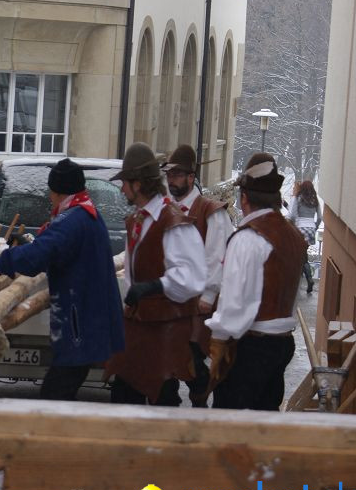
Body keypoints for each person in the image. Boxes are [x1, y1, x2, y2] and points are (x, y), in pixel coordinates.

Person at [0, 159, 125, 401]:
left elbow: (41, 254)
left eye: (51, 191)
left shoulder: (73, 221)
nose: (49, 197)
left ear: (59, 191)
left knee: (54, 397)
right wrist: (29, 246)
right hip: (87, 321)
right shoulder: (85, 213)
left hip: (80, 325)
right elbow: (55, 250)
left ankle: (54, 438)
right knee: (59, 395)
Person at [104, 142, 206, 406]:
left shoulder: (173, 222)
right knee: (125, 399)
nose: (122, 188)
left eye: (125, 182)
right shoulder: (137, 220)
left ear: (138, 184)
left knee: (162, 401)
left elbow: (192, 277)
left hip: (165, 332)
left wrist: (153, 287)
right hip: (141, 330)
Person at [206, 153, 306, 411]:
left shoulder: (247, 239)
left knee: (231, 428)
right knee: (264, 425)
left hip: (252, 348)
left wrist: (218, 340)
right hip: (281, 345)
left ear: (244, 198)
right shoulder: (293, 235)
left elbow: (235, 304)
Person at [162, 145, 233, 406]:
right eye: (169, 175)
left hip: (196, 303)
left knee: (190, 356)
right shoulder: (166, 208)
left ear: (191, 178)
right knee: (165, 357)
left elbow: (218, 254)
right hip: (168, 300)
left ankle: (200, 396)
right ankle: (167, 403)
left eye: (177, 175)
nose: (171, 180)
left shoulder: (209, 211)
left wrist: (209, 293)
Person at [288, 180, 321, 294]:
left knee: (298, 255)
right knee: (302, 254)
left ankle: (304, 279)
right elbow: (320, 217)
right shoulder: (315, 200)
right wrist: (314, 227)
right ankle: (307, 279)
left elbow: (292, 215)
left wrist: (295, 225)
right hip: (311, 230)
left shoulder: (299, 198)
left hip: (300, 229)